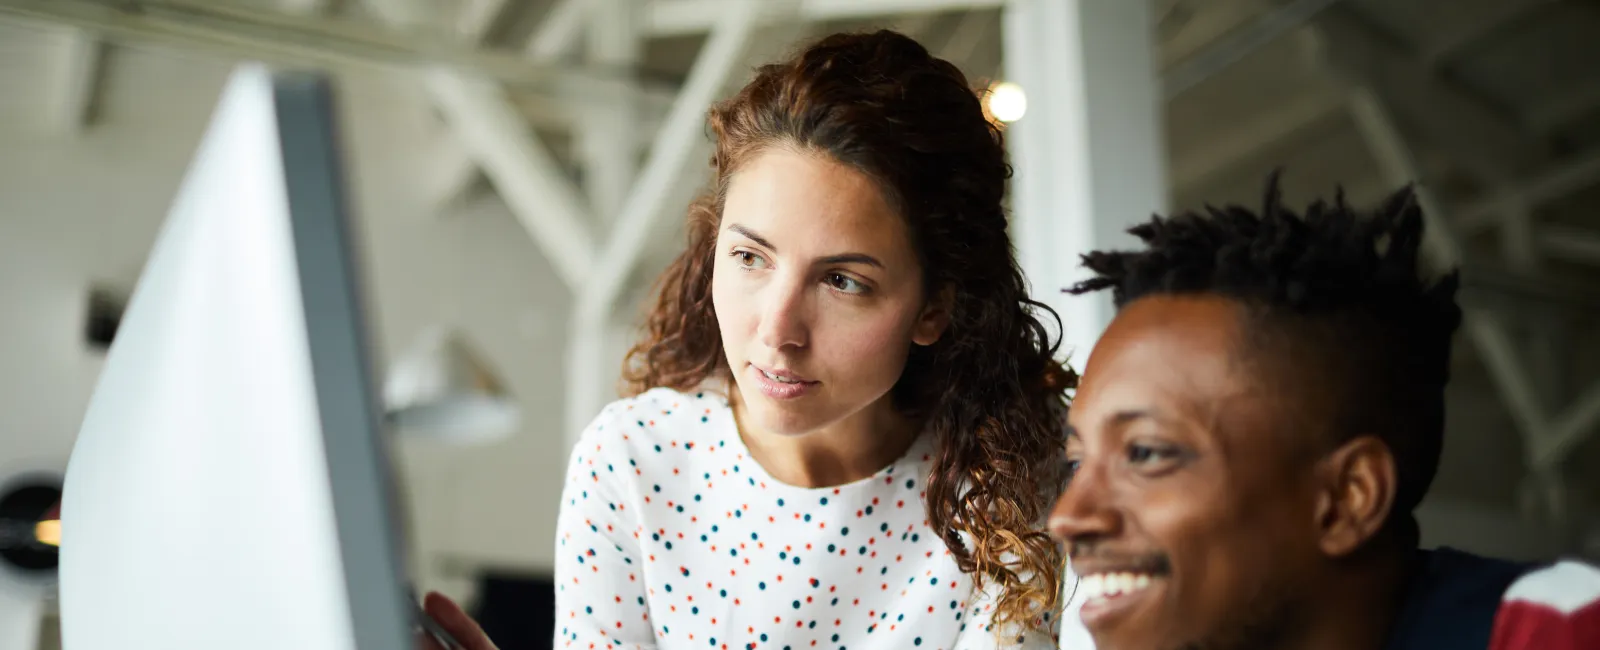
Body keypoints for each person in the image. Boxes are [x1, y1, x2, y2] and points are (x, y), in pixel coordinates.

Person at [421, 29, 1077, 650]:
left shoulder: (1004, 482)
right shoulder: (632, 463)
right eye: (750, 258)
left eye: (843, 281)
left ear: (934, 307)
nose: (777, 329)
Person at [1048, 173, 1600, 650]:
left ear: (1345, 498)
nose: (1068, 518)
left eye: (1144, 452)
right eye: (1076, 463)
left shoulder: (1553, 629)